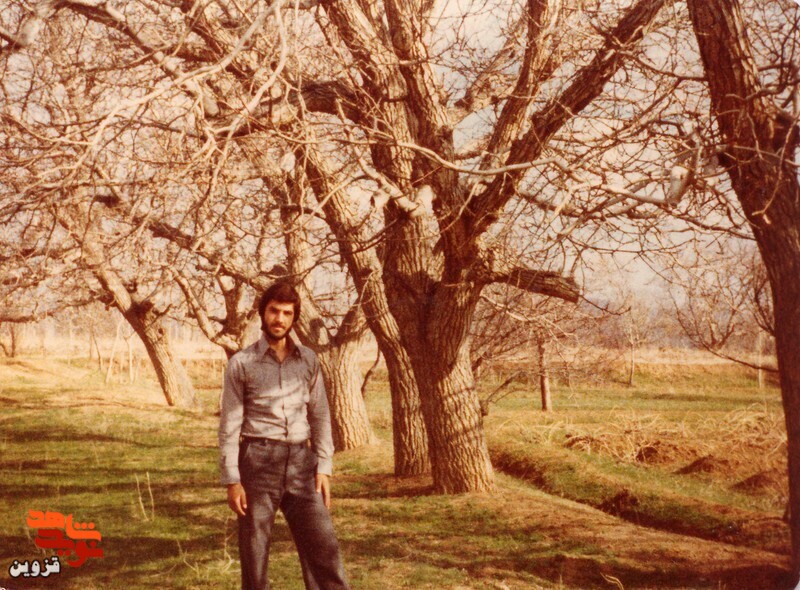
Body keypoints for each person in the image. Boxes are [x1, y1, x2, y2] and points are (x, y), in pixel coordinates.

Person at [218, 281, 350, 590]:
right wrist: (232, 480)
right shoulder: (242, 363)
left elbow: (320, 415)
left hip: (302, 463)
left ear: (294, 318)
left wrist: (324, 467)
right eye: (274, 311)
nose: (279, 319)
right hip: (257, 462)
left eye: (287, 313)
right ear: (263, 313)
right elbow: (229, 427)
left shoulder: (308, 360)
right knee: (255, 556)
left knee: (324, 549)